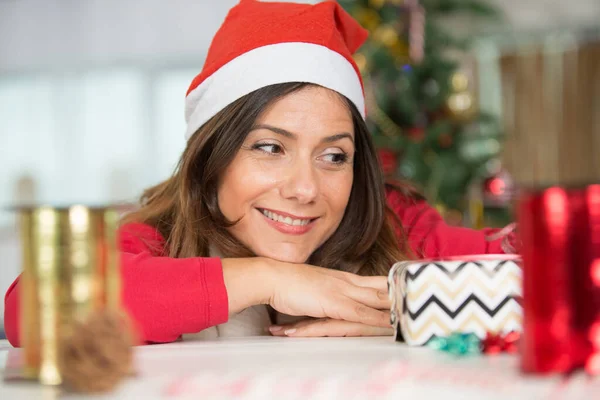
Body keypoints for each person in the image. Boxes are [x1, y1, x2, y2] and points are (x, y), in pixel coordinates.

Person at [3, 0, 513, 346]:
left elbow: (573, 264)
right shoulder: (158, 238)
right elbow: (34, 307)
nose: (306, 189)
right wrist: (269, 279)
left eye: (334, 156)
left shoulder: (396, 227)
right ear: (212, 159)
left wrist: (410, 307)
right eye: (270, 148)